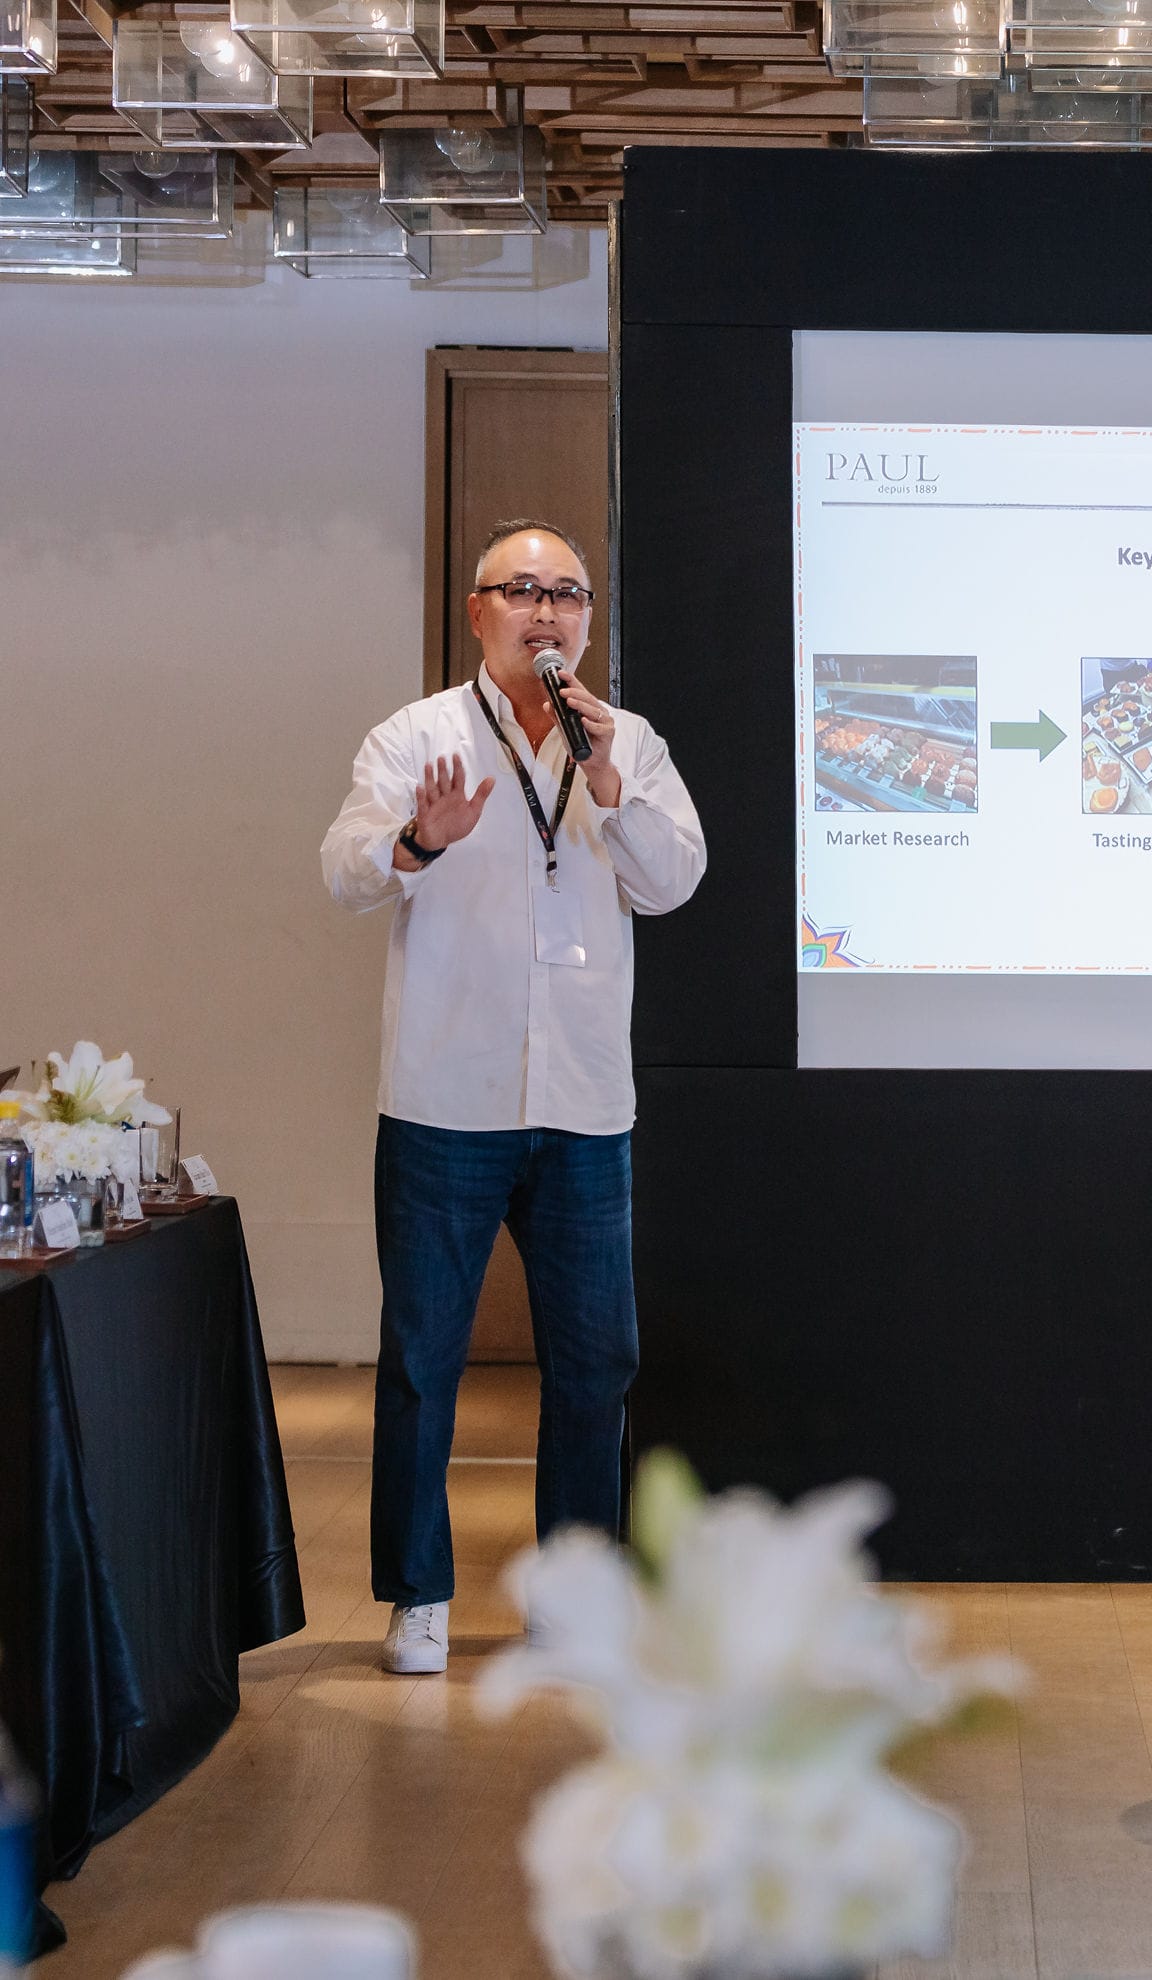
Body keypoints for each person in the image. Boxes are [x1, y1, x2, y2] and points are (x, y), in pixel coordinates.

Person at [320, 519, 706, 1675]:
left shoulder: (624, 740)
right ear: (478, 611)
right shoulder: (416, 736)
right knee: (421, 1362)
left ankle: (575, 1601)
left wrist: (612, 789)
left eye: (567, 594)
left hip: (583, 1104)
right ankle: (419, 1598)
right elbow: (341, 869)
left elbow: (674, 882)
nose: (548, 612)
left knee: (595, 1367)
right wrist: (414, 840)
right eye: (523, 591)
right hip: (444, 1097)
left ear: (587, 619)